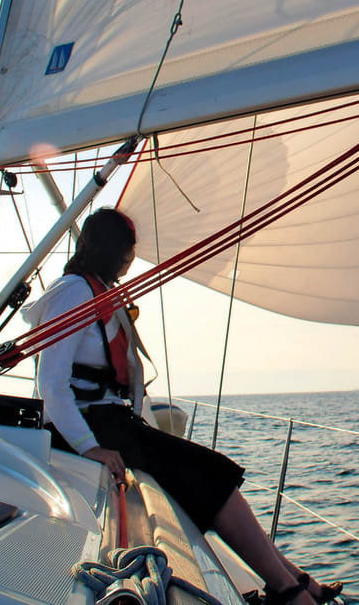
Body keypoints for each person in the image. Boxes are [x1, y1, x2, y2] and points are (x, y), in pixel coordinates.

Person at [23, 208, 342, 605]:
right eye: (127, 249)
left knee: (214, 473)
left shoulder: (99, 290)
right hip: (91, 426)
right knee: (212, 476)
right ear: (110, 248)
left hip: (113, 422)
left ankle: (295, 579)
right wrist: (89, 447)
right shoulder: (73, 291)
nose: (130, 258)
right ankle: (289, 590)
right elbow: (51, 382)